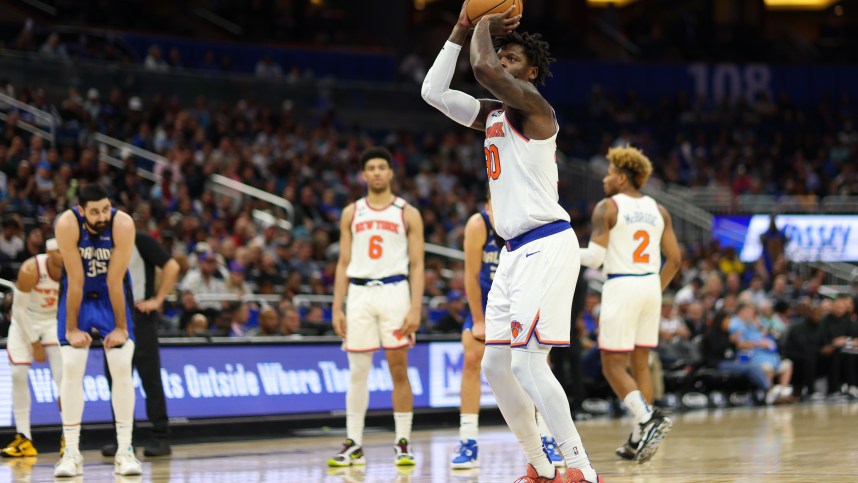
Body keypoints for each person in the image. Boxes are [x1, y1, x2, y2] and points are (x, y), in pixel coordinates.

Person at [422, 4, 603, 481]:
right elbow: (432, 91)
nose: (502, 62)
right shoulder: (493, 115)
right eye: (501, 55)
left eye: (513, 58)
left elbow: (481, 68)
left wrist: (479, 23)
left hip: (547, 243)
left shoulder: (537, 111)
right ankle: (541, 467)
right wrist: (459, 29)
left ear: (532, 72)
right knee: (497, 368)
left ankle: (581, 468)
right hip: (512, 254)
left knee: (527, 365)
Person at [579, 146, 681, 464]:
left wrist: (559, 250)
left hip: (622, 284)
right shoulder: (659, 210)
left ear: (622, 178)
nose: (605, 179)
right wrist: (652, 287)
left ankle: (648, 418)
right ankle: (639, 439)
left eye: (610, 173)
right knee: (641, 363)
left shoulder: (607, 207)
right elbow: (676, 260)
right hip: (651, 285)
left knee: (612, 365)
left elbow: (595, 258)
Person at [450, 196, 564, 470]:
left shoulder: (526, 221)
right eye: (492, 206)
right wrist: (478, 319)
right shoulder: (478, 224)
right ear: (488, 206)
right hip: (490, 303)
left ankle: (547, 438)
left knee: (539, 364)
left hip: (522, 300)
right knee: (471, 359)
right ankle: (468, 440)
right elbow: (470, 275)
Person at [328, 147, 424, 468]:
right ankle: (353, 443)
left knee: (399, 369)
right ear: (364, 174)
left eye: (382, 166)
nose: (377, 172)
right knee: (358, 372)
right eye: (371, 167)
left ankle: (403, 441)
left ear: (391, 172)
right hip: (359, 294)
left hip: (395, 291)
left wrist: (415, 308)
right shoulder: (351, 212)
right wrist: (336, 306)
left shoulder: (407, 212)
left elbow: (419, 265)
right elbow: (342, 263)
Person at [53, 184, 142, 477]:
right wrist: (71, 328)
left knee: (121, 366)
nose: (102, 215)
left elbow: (115, 281)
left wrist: (120, 327)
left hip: (110, 298)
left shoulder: (123, 223)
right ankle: (71, 453)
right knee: (71, 365)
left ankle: (125, 451)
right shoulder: (67, 223)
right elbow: (75, 281)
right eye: (95, 211)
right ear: (82, 211)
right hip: (77, 298)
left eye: (105, 208)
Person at [101, 231, 180, 457]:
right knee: (116, 379)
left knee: (149, 377)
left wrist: (158, 299)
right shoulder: (99, 244)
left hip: (139, 316)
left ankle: (161, 436)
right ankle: (124, 439)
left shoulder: (140, 241)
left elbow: (172, 266)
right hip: (112, 317)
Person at [1, 238, 63, 458]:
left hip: (53, 321)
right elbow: (18, 311)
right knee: (18, 374)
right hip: (24, 319)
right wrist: (35, 343)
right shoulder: (31, 269)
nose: (64, 255)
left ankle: (69, 437)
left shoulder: (74, 269)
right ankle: (24, 438)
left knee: (64, 380)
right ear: (49, 252)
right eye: (59, 251)